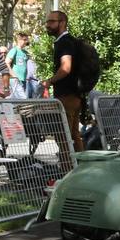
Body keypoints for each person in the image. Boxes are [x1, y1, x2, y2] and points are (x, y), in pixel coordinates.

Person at [42, 11, 83, 154]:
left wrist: (49, 81)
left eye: (51, 21)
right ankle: (80, 169)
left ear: (63, 23)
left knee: (63, 136)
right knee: (73, 135)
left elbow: (66, 68)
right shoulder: (70, 41)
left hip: (67, 97)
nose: (48, 25)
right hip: (74, 96)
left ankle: (69, 171)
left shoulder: (64, 42)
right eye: (47, 22)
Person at [6, 31, 38, 99]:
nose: (26, 41)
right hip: (15, 80)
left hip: (23, 80)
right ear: (19, 40)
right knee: (22, 99)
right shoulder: (14, 50)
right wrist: (14, 76)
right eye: (24, 40)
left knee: (17, 101)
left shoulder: (25, 52)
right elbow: (6, 64)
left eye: (27, 40)